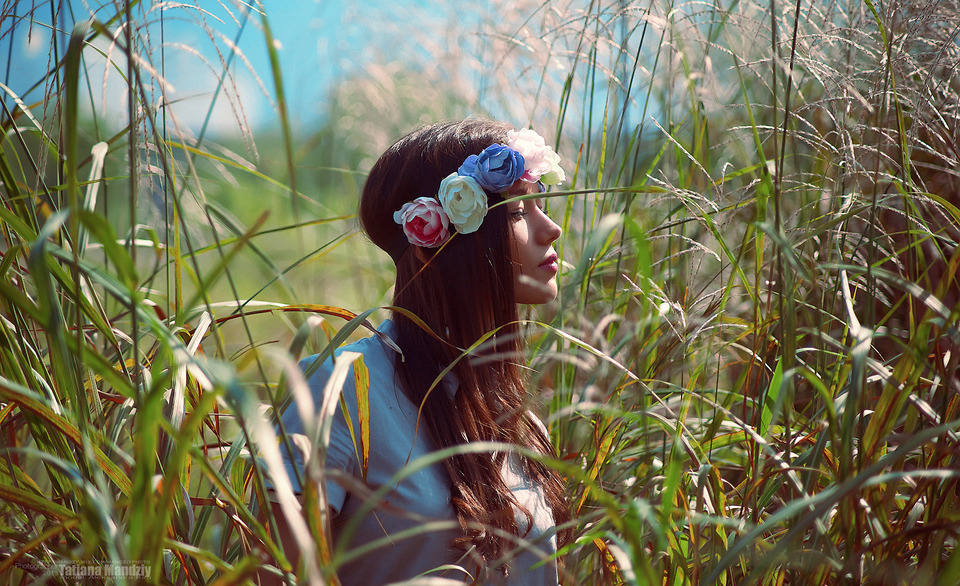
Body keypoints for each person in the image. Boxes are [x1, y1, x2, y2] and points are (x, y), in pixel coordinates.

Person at [271, 118, 570, 585]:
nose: (550, 229)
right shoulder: (338, 389)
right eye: (515, 211)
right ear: (439, 235)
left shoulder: (517, 417)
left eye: (540, 204)